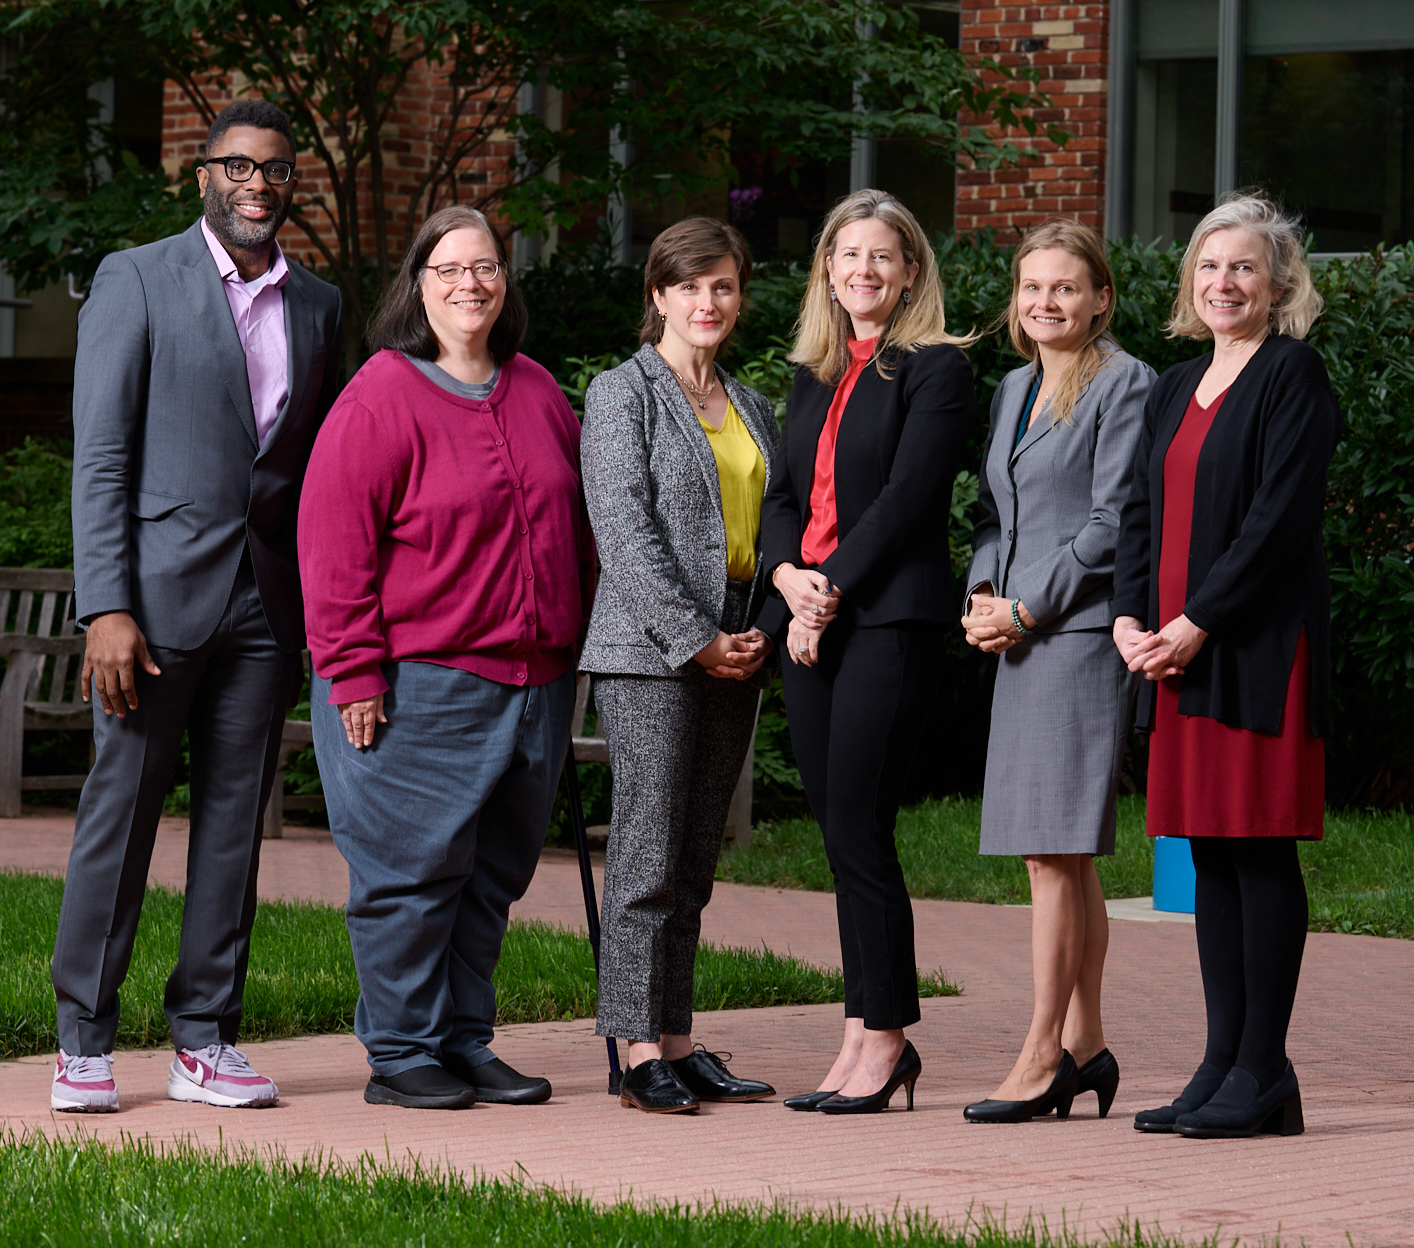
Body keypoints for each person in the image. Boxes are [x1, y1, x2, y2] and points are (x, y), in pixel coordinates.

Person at [51, 99, 343, 1115]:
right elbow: (100, 458)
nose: (258, 184)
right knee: (119, 812)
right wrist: (105, 607)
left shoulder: (319, 303)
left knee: (232, 825)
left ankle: (205, 1036)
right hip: (153, 605)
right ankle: (83, 1038)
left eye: (276, 170)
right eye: (239, 165)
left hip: (264, 604)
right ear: (202, 173)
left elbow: (306, 469)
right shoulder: (137, 278)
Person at [299, 206, 595, 1112]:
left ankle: (464, 1041)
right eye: (450, 268)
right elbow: (332, 542)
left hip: (533, 681)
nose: (471, 283)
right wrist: (351, 669)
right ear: (418, 284)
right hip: (416, 684)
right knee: (410, 875)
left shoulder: (538, 388)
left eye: (488, 267)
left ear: (506, 282)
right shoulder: (381, 395)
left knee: (489, 879)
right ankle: (401, 1052)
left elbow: (580, 525)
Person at [1111, 191, 1341, 1141]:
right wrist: (1131, 620)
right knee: (1206, 851)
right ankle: (1221, 1062)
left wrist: (1199, 617)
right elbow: (1137, 511)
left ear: (1279, 281)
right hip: (1172, 652)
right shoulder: (1173, 385)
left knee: (1257, 847)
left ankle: (1265, 1069)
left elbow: (1279, 521)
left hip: (1255, 649)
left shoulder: (1295, 376)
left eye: (1244, 266)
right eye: (1210, 266)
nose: (1224, 282)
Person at [759, 188, 975, 1116]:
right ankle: (860, 1028)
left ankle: (886, 1035)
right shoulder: (811, 372)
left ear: (911, 269)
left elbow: (908, 500)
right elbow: (778, 495)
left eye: (881, 255)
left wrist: (828, 589)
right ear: (827, 270)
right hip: (812, 614)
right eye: (847, 255)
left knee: (860, 825)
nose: (863, 271)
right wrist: (785, 578)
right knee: (840, 832)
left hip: (886, 620)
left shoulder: (936, 368)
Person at [579, 216, 783, 1115]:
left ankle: (677, 1039)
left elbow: (776, 533)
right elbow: (623, 531)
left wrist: (753, 631)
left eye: (724, 286)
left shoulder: (754, 404)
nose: (708, 302)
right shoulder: (621, 393)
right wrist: (694, 635)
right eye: (690, 285)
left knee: (694, 856)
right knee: (647, 853)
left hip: (737, 645)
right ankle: (630, 1047)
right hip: (651, 653)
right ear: (657, 295)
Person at [959, 221, 1153, 1125]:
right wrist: (985, 591)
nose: (1046, 302)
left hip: (1071, 636)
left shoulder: (1125, 382)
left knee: (1053, 850)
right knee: (1062, 855)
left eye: (1066, 287)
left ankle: (1041, 1055)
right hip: (1019, 632)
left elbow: (1112, 521)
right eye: (1032, 287)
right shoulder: (1012, 387)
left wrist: (1028, 607)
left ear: (1101, 297)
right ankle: (1086, 1044)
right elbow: (999, 512)